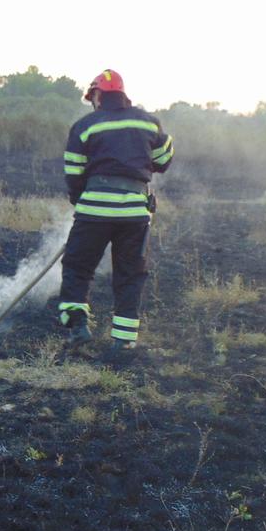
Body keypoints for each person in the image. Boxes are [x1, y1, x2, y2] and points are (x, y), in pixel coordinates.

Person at [58, 69, 174, 353]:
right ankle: (123, 341)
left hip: (94, 210)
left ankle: (78, 328)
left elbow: (73, 171)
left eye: (92, 97)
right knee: (129, 274)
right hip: (135, 212)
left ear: (97, 95)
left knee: (77, 267)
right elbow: (164, 159)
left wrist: (81, 201)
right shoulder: (149, 123)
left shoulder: (84, 126)